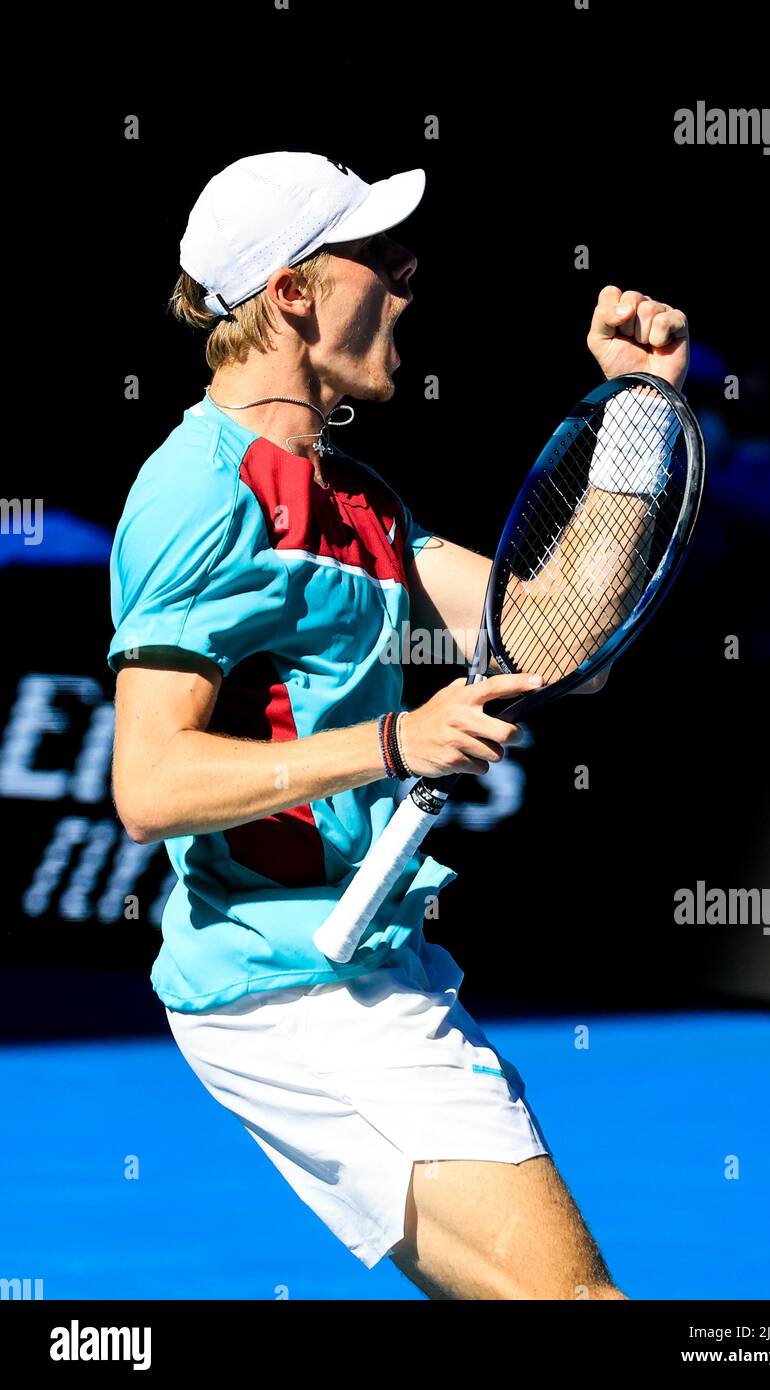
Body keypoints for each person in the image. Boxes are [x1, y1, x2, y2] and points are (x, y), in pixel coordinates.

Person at [109, 151, 688, 1299]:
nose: (408, 273)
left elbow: (555, 639)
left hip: (376, 965)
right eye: (378, 256)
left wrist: (636, 412)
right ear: (290, 292)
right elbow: (150, 782)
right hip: (295, 986)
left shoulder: (358, 495)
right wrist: (394, 742)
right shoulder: (197, 493)